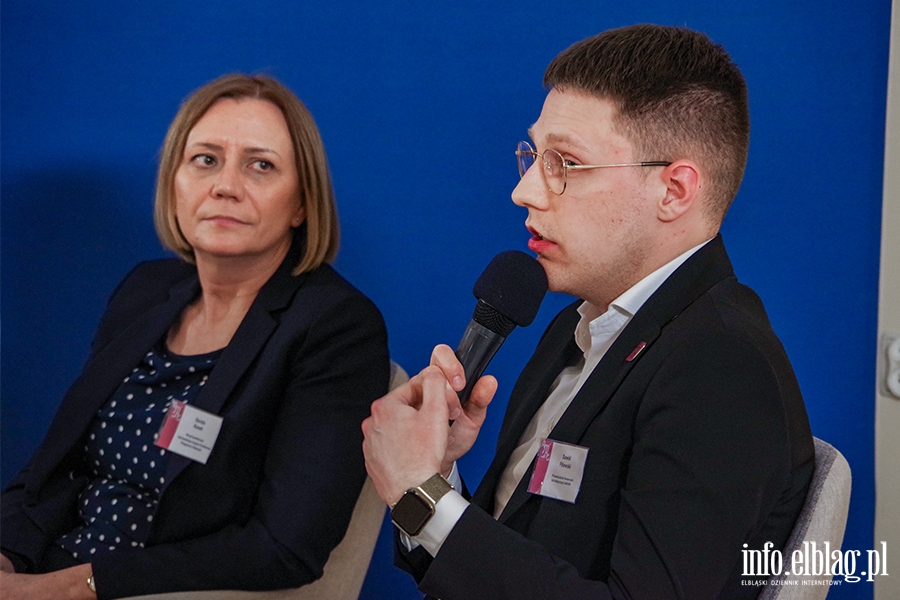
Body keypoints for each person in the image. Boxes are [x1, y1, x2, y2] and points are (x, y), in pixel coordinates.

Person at [362, 24, 814, 599]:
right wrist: (440, 473)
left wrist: (420, 497)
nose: (524, 191)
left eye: (566, 164)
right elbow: (524, 563)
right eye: (533, 156)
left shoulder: (721, 364)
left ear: (674, 191)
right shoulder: (575, 327)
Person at [1, 74, 390, 599]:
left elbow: (283, 547)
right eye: (205, 159)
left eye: (261, 165)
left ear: (301, 203)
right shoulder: (145, 291)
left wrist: (70, 587)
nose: (225, 185)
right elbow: (54, 469)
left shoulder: (335, 328)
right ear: (174, 184)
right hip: (47, 569)